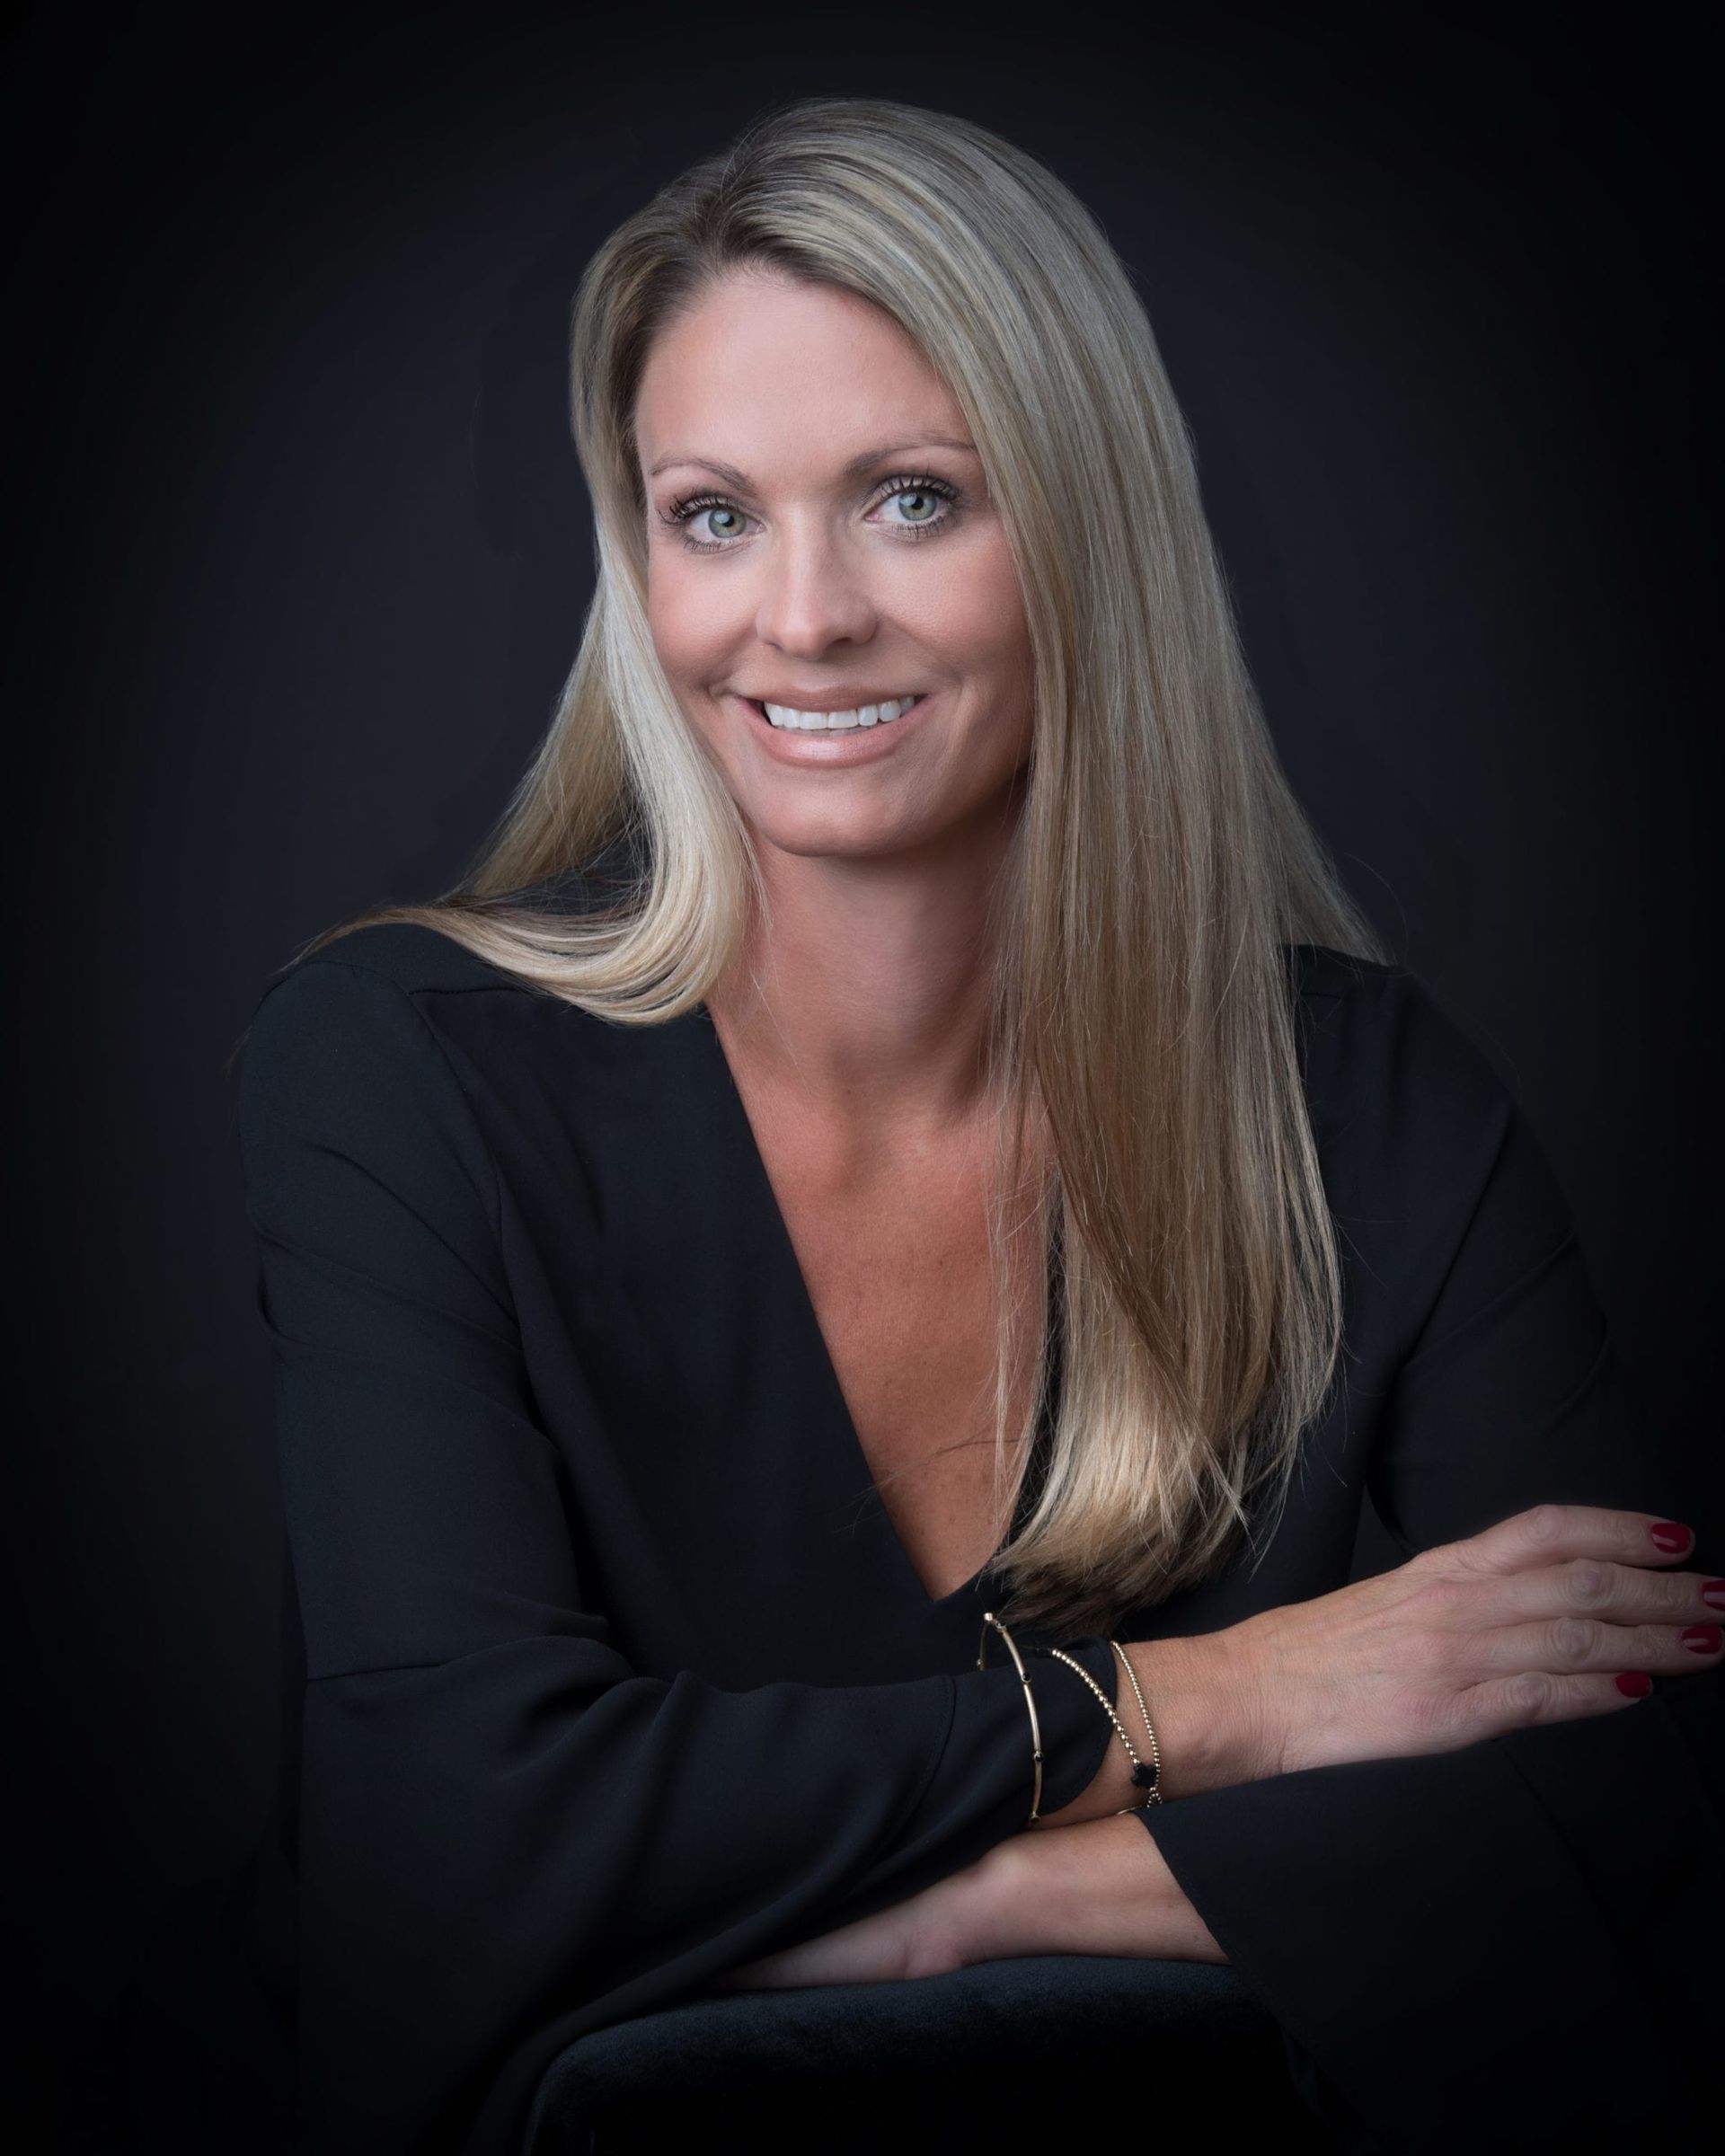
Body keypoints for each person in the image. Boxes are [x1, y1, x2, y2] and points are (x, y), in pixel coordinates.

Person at [85, 94, 1723, 2156]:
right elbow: (451, 1842)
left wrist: (970, 1910)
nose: (802, 617)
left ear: (1089, 529)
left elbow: (1639, 1810)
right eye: (711, 516)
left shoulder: (1373, 1104)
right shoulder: (398, 1069)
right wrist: (1231, 1702)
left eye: (914, 499)